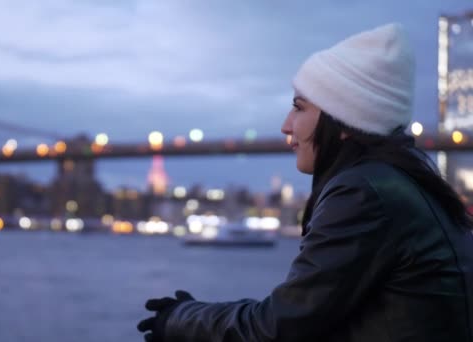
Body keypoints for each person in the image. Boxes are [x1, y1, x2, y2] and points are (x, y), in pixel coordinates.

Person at [137, 23, 473, 342]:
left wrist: (181, 319)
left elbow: (277, 328)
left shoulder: (363, 193)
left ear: (345, 121)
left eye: (299, 107)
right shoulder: (402, 180)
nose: (285, 125)